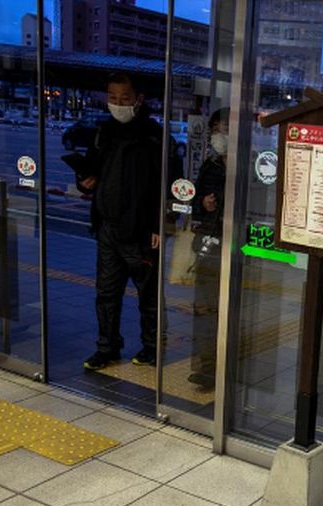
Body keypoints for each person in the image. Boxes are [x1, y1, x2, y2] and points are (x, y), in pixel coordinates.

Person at [78, 72, 180, 370]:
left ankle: (152, 347)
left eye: (124, 99)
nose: (118, 104)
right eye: (112, 98)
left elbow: (172, 186)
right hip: (108, 227)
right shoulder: (103, 133)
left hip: (142, 231)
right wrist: (84, 180)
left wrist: (162, 223)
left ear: (138, 99)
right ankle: (107, 347)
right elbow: (92, 169)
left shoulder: (155, 137)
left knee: (148, 294)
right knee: (106, 292)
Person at [187, 108, 229, 389]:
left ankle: (227, 365)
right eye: (216, 130)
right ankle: (207, 366)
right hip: (208, 243)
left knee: (227, 308)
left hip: (234, 245)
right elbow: (194, 199)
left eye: (224, 129)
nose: (219, 135)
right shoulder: (210, 165)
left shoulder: (252, 164)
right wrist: (203, 204)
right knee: (205, 307)